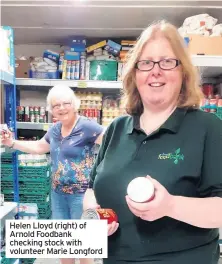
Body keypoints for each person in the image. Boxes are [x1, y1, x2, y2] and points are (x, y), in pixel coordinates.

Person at [83, 21, 222, 264]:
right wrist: (93, 215)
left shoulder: (207, 128)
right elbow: (92, 189)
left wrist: (171, 206)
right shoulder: (116, 128)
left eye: (167, 61)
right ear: (134, 74)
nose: (155, 71)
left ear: (183, 72)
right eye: (146, 63)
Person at [2, 84, 104, 264]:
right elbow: (39, 147)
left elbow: (111, 142)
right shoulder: (55, 130)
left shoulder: (87, 126)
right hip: (57, 194)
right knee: (65, 245)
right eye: (56, 105)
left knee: (84, 247)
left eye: (66, 103)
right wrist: (11, 142)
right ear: (51, 110)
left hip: (81, 195)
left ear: (74, 104)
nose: (62, 108)